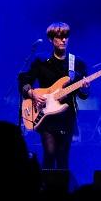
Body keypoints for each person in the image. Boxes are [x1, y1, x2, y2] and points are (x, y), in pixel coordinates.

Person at [17, 21, 86, 174]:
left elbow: (84, 95)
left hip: (66, 116)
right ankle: (45, 191)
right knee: (49, 153)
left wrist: (84, 87)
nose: (63, 40)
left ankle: (63, 193)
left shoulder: (77, 63)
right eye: (59, 37)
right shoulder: (40, 60)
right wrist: (32, 93)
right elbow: (24, 80)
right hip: (45, 115)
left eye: (66, 36)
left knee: (63, 157)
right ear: (51, 39)